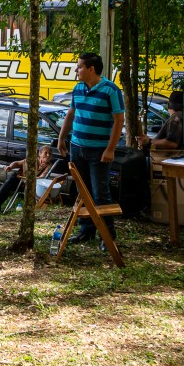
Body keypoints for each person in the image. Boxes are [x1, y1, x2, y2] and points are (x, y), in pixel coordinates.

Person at [57, 52, 125, 243]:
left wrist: (110, 149)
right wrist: (61, 138)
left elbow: (119, 120)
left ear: (91, 69)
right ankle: (86, 231)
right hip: (77, 148)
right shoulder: (78, 88)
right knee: (82, 192)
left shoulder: (111, 90)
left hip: (99, 151)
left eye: (79, 67)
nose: (76, 70)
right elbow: (71, 114)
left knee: (100, 193)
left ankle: (107, 236)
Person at [0, 144, 59, 212]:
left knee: (11, 181)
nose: (48, 155)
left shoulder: (48, 165)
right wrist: (10, 167)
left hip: (30, 185)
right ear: (40, 154)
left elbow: (41, 177)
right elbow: (17, 163)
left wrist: (27, 179)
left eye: (50, 153)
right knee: (11, 179)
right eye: (46, 153)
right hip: (19, 180)